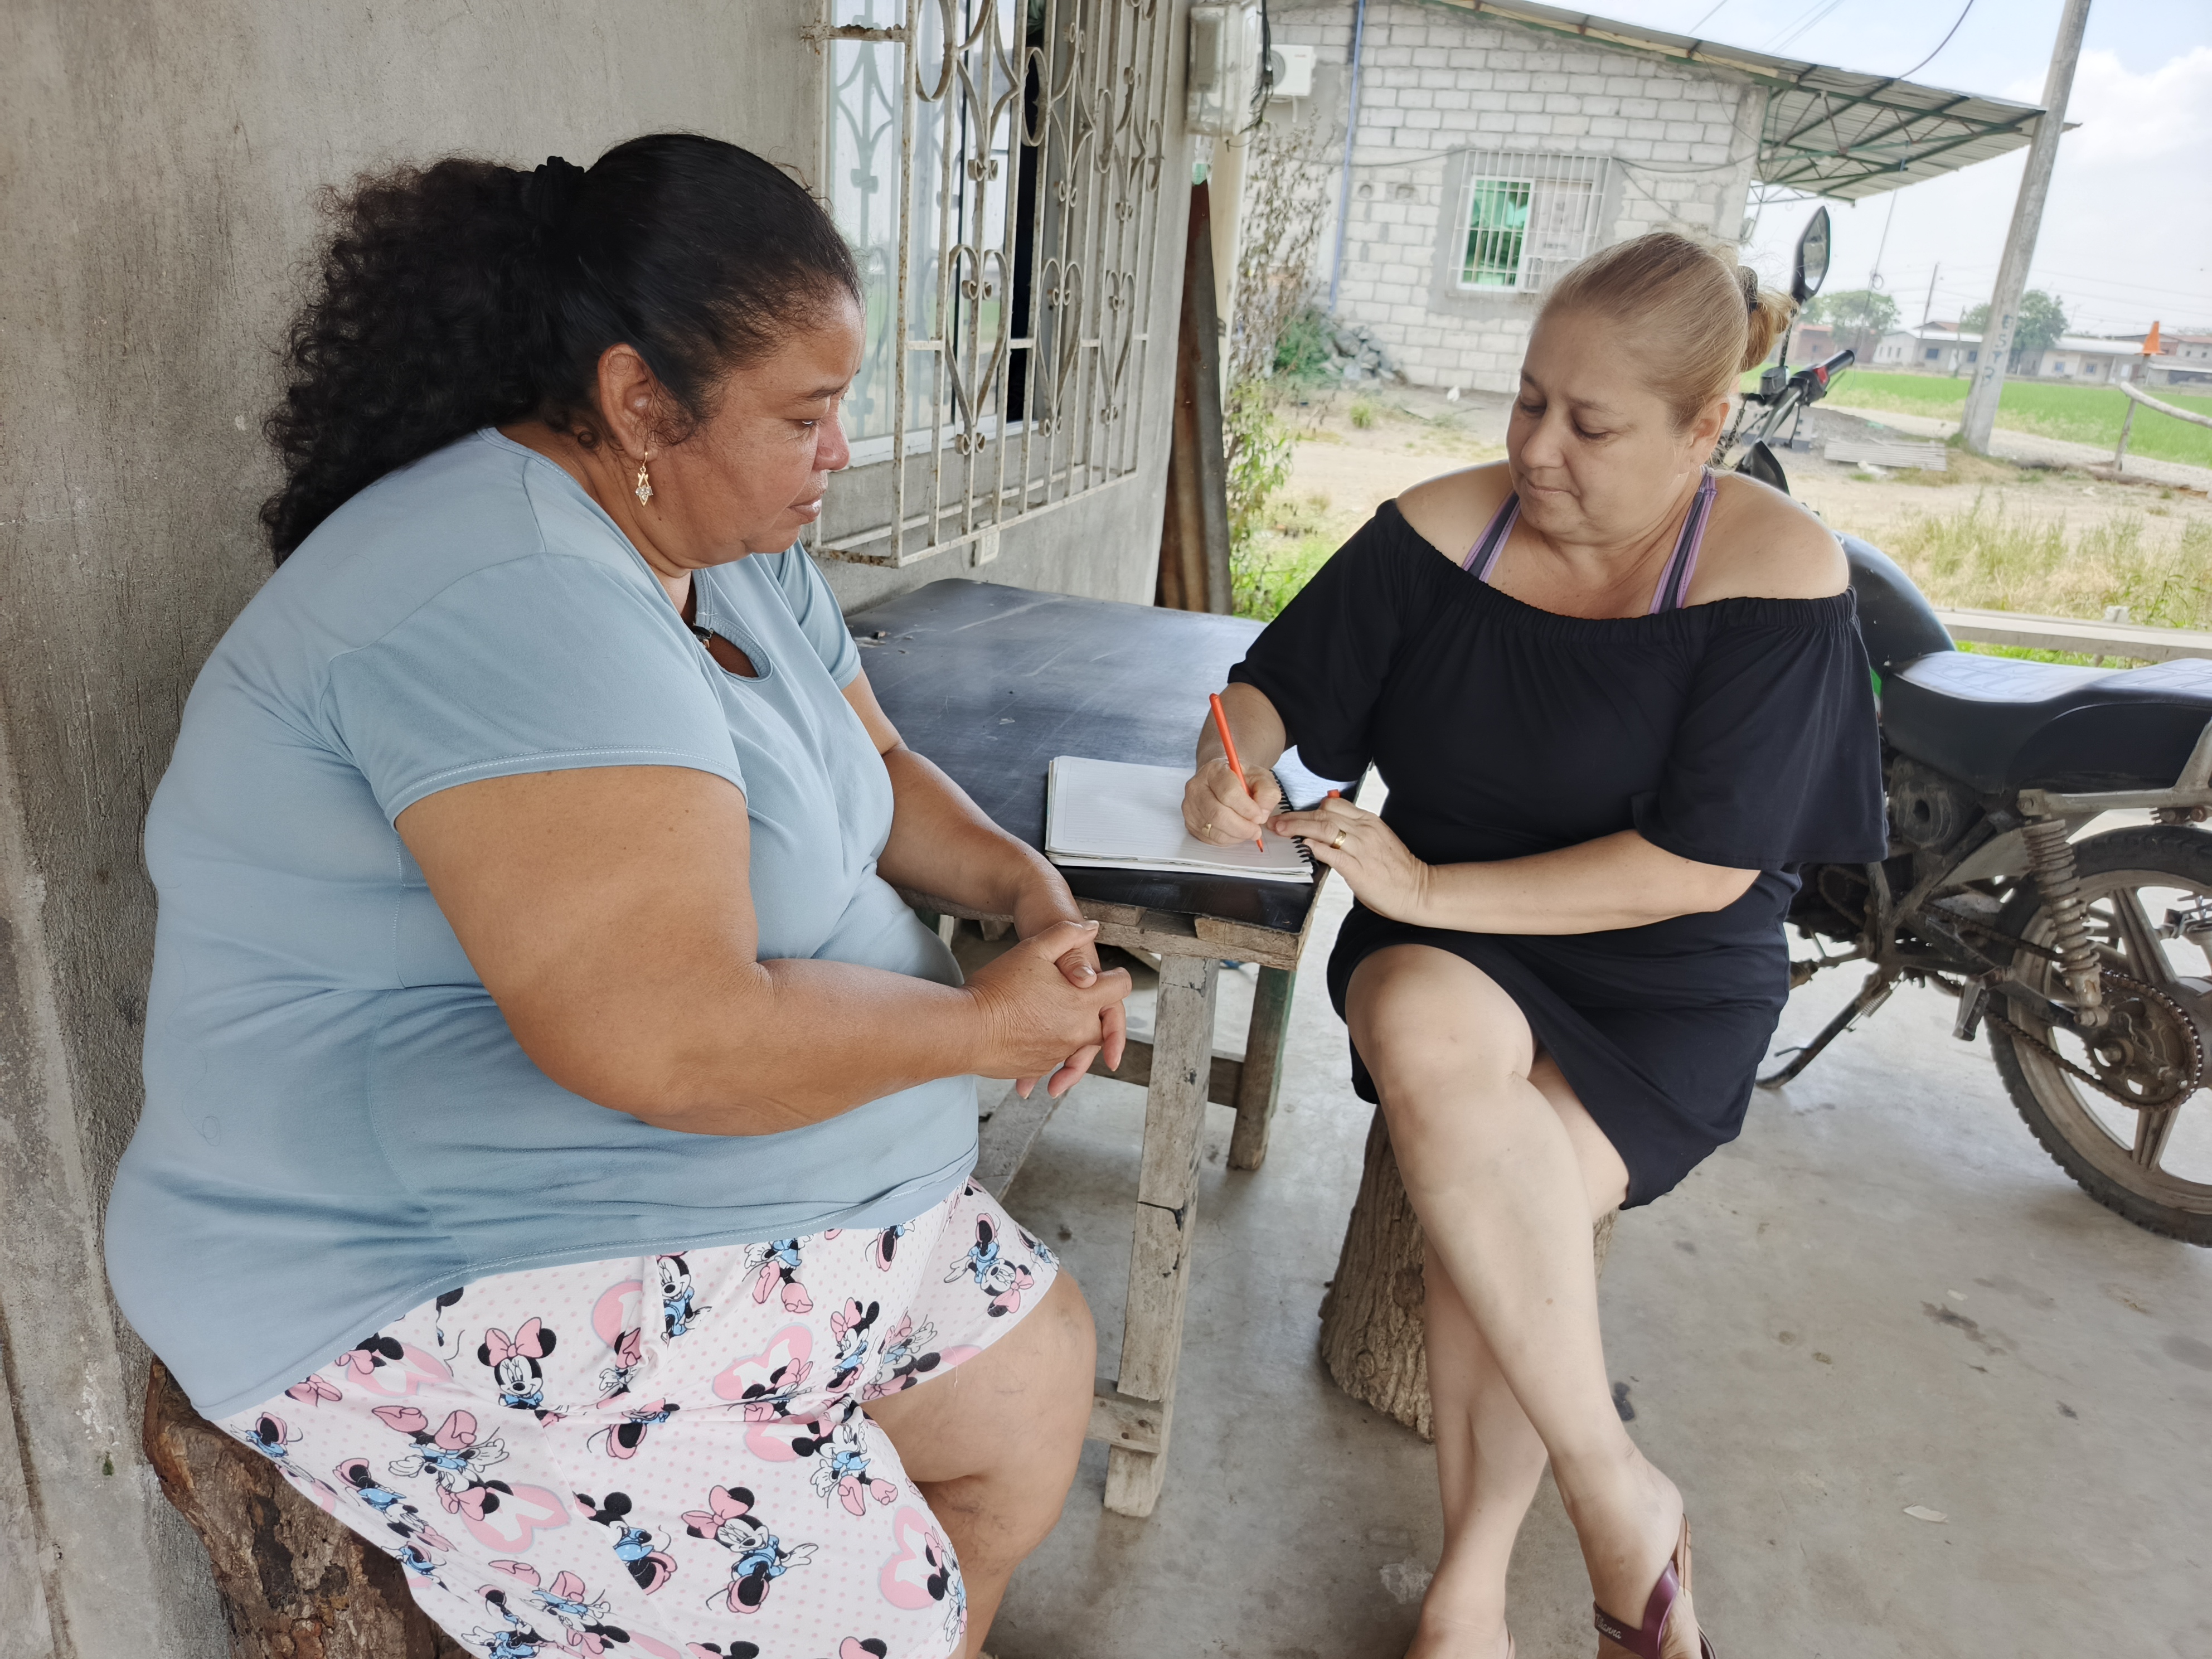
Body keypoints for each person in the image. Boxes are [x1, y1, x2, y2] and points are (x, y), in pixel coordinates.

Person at [105, 135, 1130, 1659]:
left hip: (712, 1210)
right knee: (878, 1621)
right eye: (805, 415)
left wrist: (1029, 892)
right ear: (644, 400)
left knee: (1029, 1392)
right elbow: (670, 1041)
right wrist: (979, 1034)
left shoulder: (729, 545)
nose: (841, 451)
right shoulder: (509, 591)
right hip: (422, 1262)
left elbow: (877, 761)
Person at [1184, 232, 1886, 1658]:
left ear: (1705, 427)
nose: (1537, 450)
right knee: (1433, 1047)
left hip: (1664, 961)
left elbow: (1698, 867)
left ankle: (1469, 1588)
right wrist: (1230, 760)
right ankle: (1617, 1496)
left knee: (1504, 1218)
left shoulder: (1777, 571)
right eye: (1525, 401)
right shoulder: (1442, 533)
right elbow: (1275, 684)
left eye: (1590, 425)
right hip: (1451, 945)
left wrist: (1428, 885)